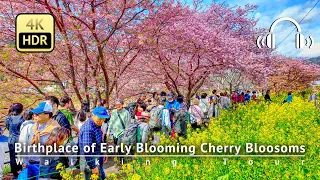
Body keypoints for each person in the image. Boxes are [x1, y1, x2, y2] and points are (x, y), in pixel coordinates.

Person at [24, 102, 60, 180]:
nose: (34, 116)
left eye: (37, 114)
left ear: (47, 115)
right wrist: (25, 161)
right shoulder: (34, 127)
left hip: (44, 166)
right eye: (34, 114)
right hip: (30, 164)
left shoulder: (54, 129)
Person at [79, 106, 109, 180]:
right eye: (99, 118)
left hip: (97, 156)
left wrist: (103, 152)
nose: (101, 121)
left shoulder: (96, 124)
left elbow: (100, 140)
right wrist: (93, 167)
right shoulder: (88, 129)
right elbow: (87, 150)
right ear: (93, 115)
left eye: (103, 118)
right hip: (89, 161)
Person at [5, 103, 24, 178]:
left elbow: (8, 127)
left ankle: (14, 174)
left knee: (12, 157)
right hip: (20, 139)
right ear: (20, 110)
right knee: (20, 157)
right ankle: (20, 172)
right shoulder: (22, 118)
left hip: (11, 139)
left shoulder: (8, 118)